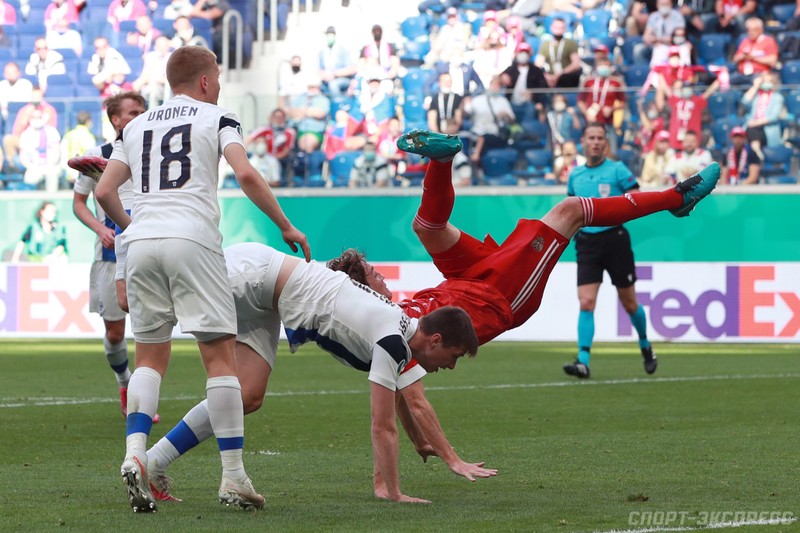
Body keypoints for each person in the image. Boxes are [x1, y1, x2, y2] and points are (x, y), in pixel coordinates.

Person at [94, 46, 311, 513]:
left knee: (150, 357)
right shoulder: (217, 117)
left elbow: (105, 191)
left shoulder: (134, 126)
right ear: (207, 81)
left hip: (143, 243)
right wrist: (286, 225)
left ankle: (135, 452)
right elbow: (247, 175)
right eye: (218, 76)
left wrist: (133, 228)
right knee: (219, 361)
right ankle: (233, 477)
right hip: (193, 239)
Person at [129, 243, 491, 504]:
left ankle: (155, 462)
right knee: (156, 328)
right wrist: (397, 489)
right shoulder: (393, 339)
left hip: (267, 300)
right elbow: (385, 423)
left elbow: (405, 397)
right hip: (254, 275)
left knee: (248, 394)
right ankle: (149, 460)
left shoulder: (402, 334)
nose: (451, 366)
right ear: (436, 340)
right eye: (454, 356)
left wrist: (421, 442)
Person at [328, 128, 719, 370]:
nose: (378, 274)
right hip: (501, 297)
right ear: (360, 291)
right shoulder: (388, 336)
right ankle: (675, 198)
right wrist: (445, 454)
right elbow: (407, 394)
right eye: (370, 275)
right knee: (569, 211)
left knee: (426, 227)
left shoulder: (389, 313)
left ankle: (443, 159)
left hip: (465, 281)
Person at [72, 93, 148, 421]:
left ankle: (142, 399)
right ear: (115, 119)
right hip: (110, 254)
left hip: (147, 251)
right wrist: (99, 228)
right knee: (116, 333)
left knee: (149, 328)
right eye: (133, 112)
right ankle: (124, 382)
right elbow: (78, 203)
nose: (140, 116)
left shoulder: (154, 155)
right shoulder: (96, 157)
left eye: (143, 112)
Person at [561, 124, 659, 379]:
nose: (595, 142)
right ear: (583, 141)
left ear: (606, 144)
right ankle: (583, 360)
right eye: (591, 137)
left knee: (629, 303)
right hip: (587, 242)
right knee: (586, 301)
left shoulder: (617, 170)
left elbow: (636, 198)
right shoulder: (576, 175)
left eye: (600, 138)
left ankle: (645, 345)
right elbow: (572, 208)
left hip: (615, 240)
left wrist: (622, 204)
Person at [463, 74, 515, 164]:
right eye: (494, 85)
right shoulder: (477, 100)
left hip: (494, 134)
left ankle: (477, 158)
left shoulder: (503, 101)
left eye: (498, 86)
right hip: (476, 132)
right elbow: (466, 113)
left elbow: (512, 120)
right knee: (476, 138)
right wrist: (465, 103)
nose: (495, 88)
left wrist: (505, 115)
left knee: (483, 139)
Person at [741, 70, 785, 159]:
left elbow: (774, 117)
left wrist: (756, 123)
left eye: (766, 77)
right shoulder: (756, 96)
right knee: (750, 129)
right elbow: (744, 101)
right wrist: (755, 86)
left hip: (767, 129)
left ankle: (756, 154)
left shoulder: (777, 97)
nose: (763, 79)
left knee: (751, 129)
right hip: (752, 127)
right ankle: (757, 153)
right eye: (762, 77)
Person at [18, 108, 62, 192]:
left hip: (50, 165)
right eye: (34, 117)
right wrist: (31, 166)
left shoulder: (52, 131)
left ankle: (51, 200)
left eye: (39, 117)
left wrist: (50, 163)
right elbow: (22, 157)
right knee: (29, 178)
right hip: (33, 166)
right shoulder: (25, 134)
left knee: (52, 173)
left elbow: (57, 152)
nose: (36, 119)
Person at [535, 18, 582, 89]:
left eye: (561, 27)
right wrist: (546, 76)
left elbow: (575, 64)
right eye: (556, 27)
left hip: (565, 77)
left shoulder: (570, 43)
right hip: (549, 77)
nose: (558, 29)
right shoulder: (546, 44)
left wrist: (559, 75)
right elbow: (538, 64)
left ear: (564, 29)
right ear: (551, 27)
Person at [730, 17, 778, 87]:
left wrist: (753, 58)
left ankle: (746, 98)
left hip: (759, 74)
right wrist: (743, 56)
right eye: (749, 30)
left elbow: (772, 61)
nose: (751, 32)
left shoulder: (769, 41)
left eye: (754, 30)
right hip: (742, 74)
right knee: (722, 80)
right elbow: (735, 59)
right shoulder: (745, 41)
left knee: (758, 82)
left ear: (761, 30)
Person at [318, 26, 357, 98]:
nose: (330, 37)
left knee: (333, 84)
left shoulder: (343, 51)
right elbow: (320, 70)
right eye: (328, 35)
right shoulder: (322, 53)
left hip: (342, 79)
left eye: (331, 35)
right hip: (326, 80)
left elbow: (350, 70)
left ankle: (337, 105)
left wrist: (334, 74)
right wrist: (324, 76)